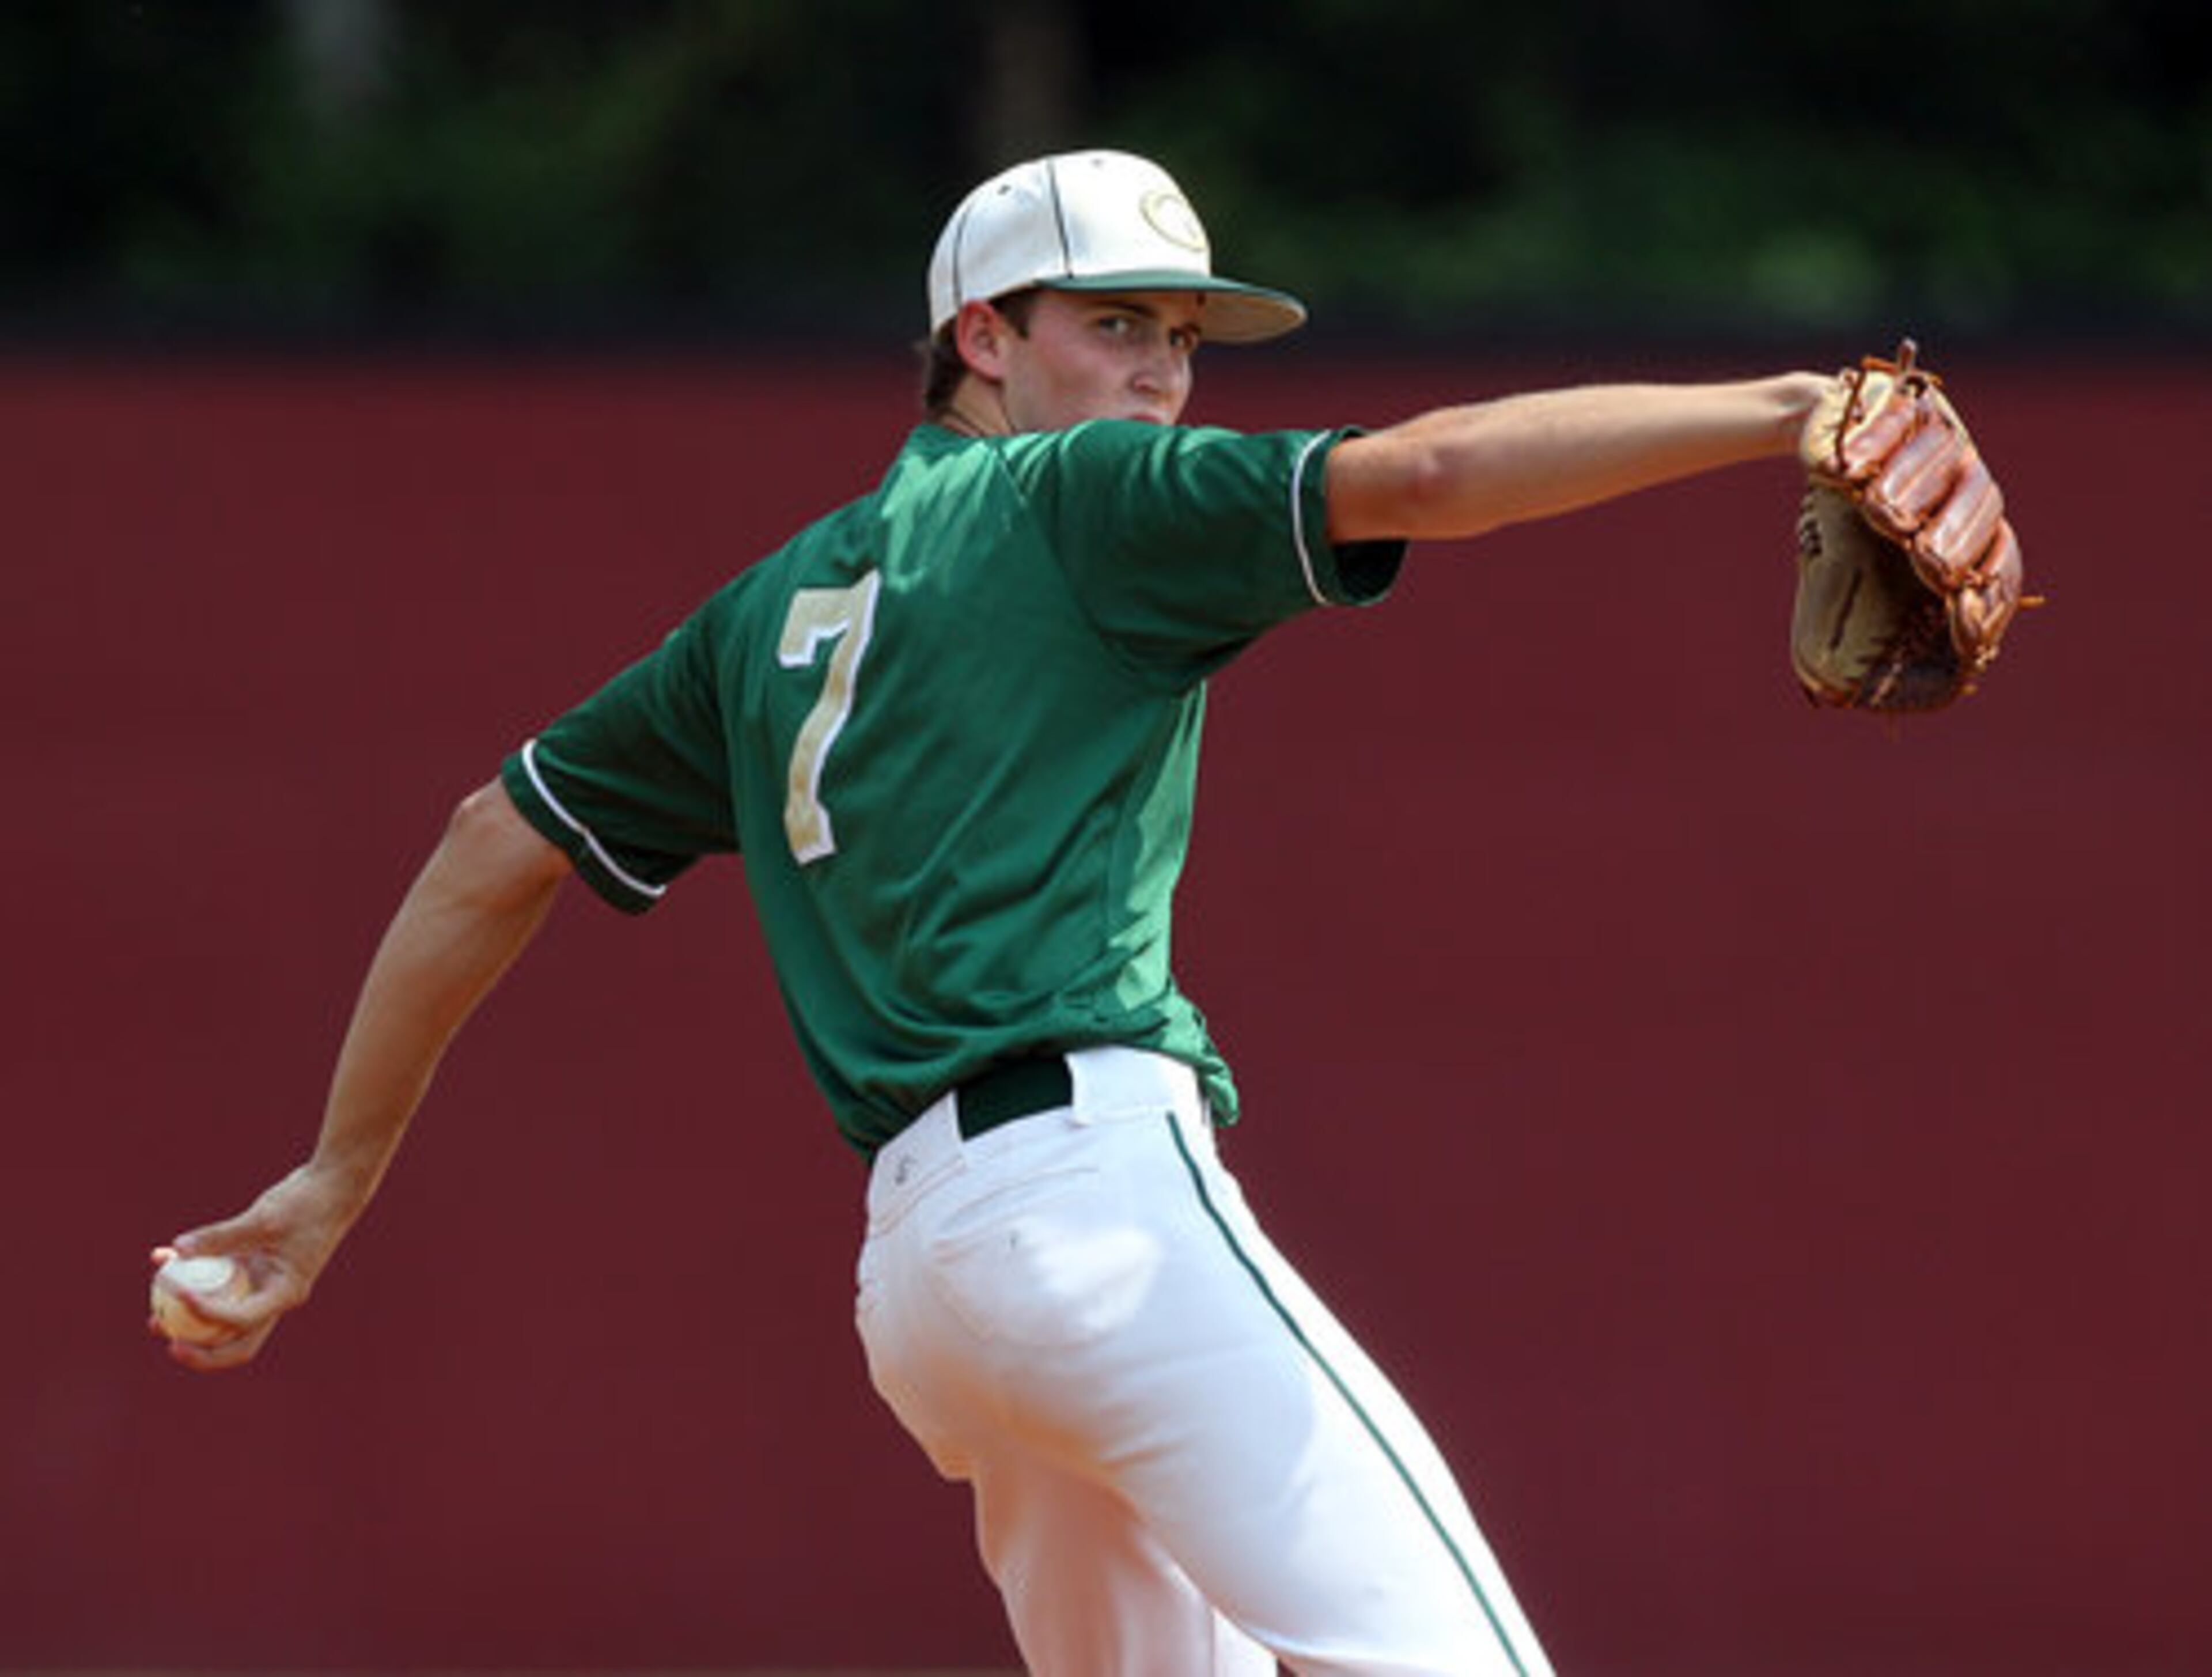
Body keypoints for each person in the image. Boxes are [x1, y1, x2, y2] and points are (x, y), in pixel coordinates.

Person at [154, 149, 1834, 1675]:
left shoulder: (767, 615)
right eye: (1113, 324)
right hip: (1097, 1209)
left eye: (1182, 340)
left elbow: (485, 842)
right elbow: (1442, 468)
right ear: (983, 335)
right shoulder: (1085, 501)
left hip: (931, 1287)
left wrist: (330, 1180)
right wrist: (1781, 409)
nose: (1159, 379)